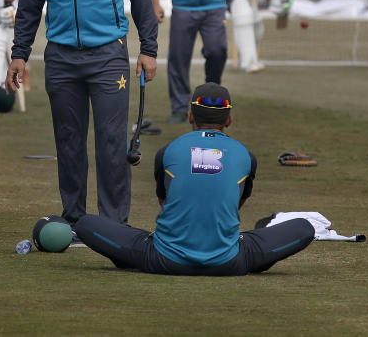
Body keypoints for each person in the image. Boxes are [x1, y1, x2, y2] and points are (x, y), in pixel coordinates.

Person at [6, 0, 158, 227]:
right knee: (69, 142)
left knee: (111, 143)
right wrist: (19, 53)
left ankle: (113, 225)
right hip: (60, 57)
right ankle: (75, 220)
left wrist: (148, 48)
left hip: (108, 54)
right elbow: (29, 3)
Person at [74, 83, 315, 275]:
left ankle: (130, 256)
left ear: (190, 116)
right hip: (228, 262)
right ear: (229, 119)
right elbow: (235, 205)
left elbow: (165, 202)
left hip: (162, 259)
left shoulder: (168, 151)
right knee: (304, 227)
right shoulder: (246, 156)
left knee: (85, 224)